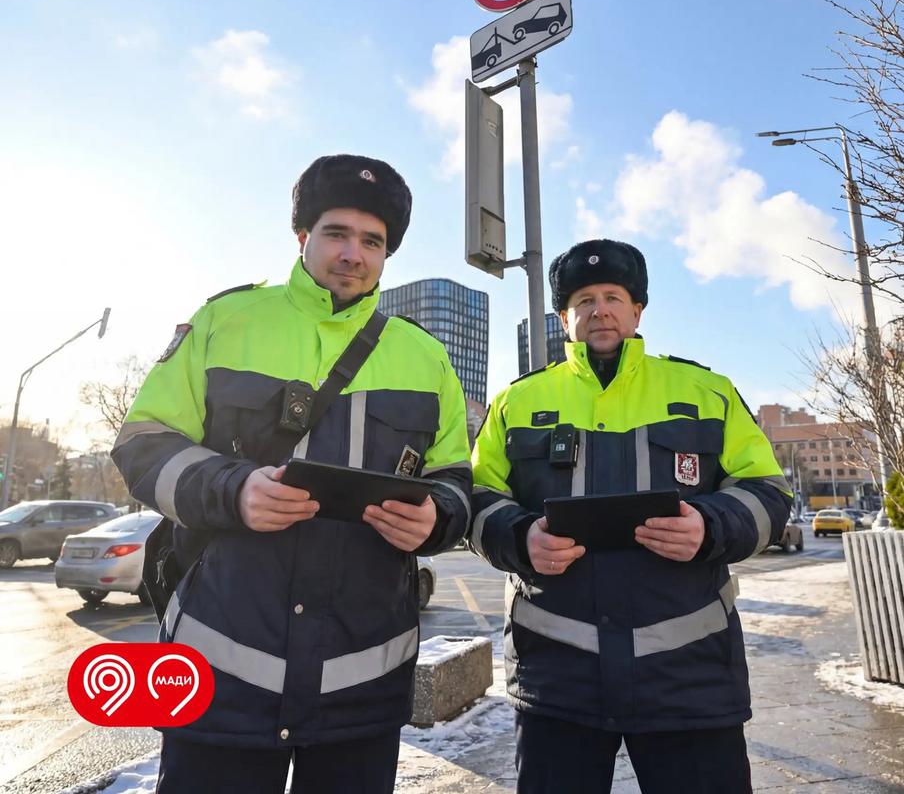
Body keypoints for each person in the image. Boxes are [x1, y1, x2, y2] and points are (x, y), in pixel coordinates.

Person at [112, 154, 472, 794]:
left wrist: (435, 518)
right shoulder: (225, 320)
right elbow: (142, 445)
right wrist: (233, 490)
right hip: (217, 671)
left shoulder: (427, 356)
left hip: (364, 685)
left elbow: (454, 482)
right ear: (303, 235)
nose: (353, 254)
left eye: (372, 241)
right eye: (336, 233)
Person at [467, 239, 791, 794]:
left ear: (637, 311)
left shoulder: (706, 392)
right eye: (584, 300)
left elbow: (768, 492)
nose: (599, 310)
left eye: (613, 297)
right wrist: (520, 538)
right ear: (564, 318)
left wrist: (709, 527)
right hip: (557, 678)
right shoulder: (515, 403)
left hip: (688, 678)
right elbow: (475, 498)